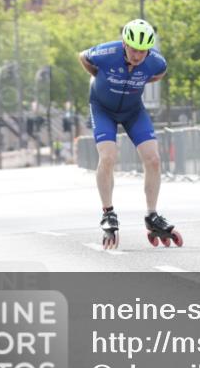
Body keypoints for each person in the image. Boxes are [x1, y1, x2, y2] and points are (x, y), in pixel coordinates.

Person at [78, 19, 182, 249]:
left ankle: (152, 215)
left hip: (133, 110)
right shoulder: (107, 52)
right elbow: (83, 57)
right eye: (133, 48)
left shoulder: (155, 62)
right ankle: (108, 213)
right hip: (103, 109)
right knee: (108, 157)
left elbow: (159, 73)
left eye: (142, 51)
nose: (137, 55)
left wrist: (139, 79)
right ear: (125, 43)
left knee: (153, 159)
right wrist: (98, 75)